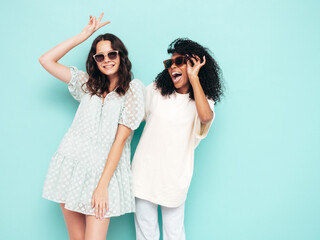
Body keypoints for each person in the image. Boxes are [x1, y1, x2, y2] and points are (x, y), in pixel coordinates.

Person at [39, 13, 145, 240]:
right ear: (95, 61)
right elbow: (46, 60)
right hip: (71, 167)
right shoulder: (87, 84)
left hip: (103, 174)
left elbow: (120, 141)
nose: (107, 59)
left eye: (112, 54)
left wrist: (102, 185)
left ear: (121, 56)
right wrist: (83, 35)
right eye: (100, 56)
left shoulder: (133, 90)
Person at [132, 38, 223, 240]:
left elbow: (206, 117)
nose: (172, 66)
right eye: (169, 63)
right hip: (144, 172)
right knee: (145, 233)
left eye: (179, 61)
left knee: (174, 233)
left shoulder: (203, 101)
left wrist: (194, 78)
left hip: (175, 177)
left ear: (194, 64)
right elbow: (133, 114)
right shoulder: (156, 90)